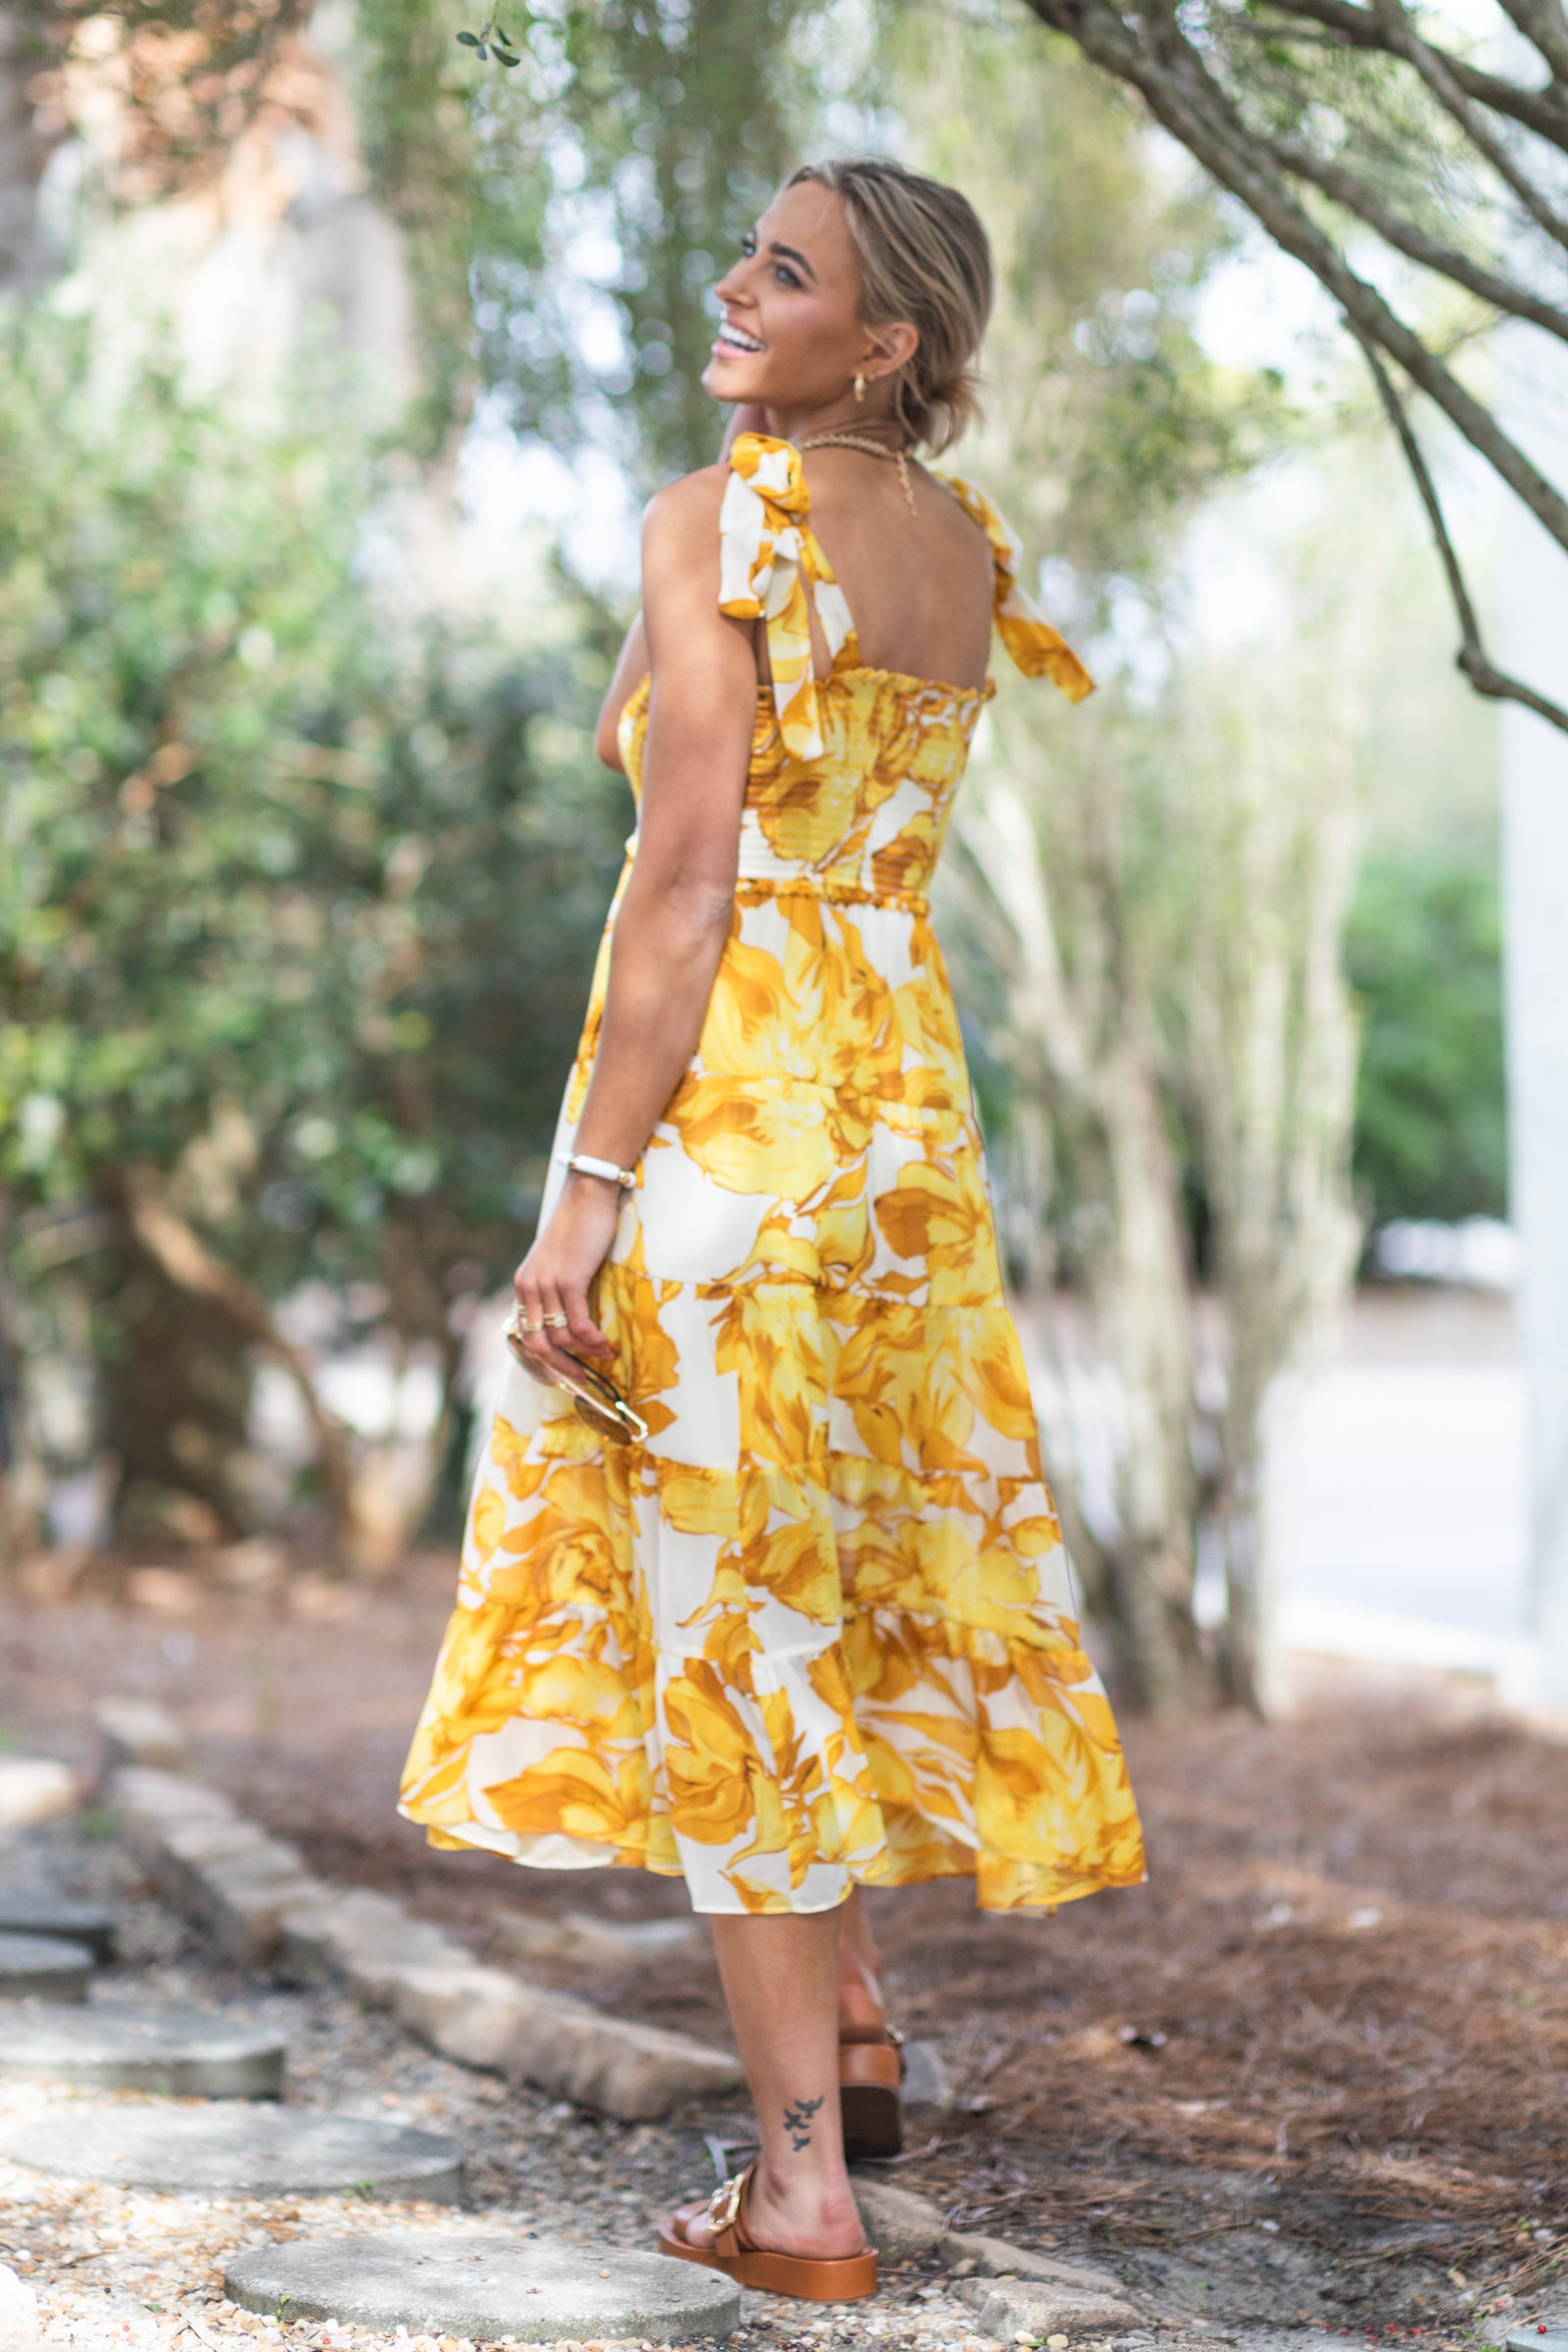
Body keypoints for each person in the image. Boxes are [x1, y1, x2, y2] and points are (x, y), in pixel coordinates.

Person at [400, 156, 1146, 2303]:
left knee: (737, 1631)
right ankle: (858, 2020)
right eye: (749, 249)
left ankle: (800, 2194)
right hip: (898, 1141)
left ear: (882, 342)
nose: (735, 285)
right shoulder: (957, 545)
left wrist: (589, 1191)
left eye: (786, 271)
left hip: (731, 1125)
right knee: (833, 1569)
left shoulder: (713, 523)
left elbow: (685, 875)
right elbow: (760, 802)